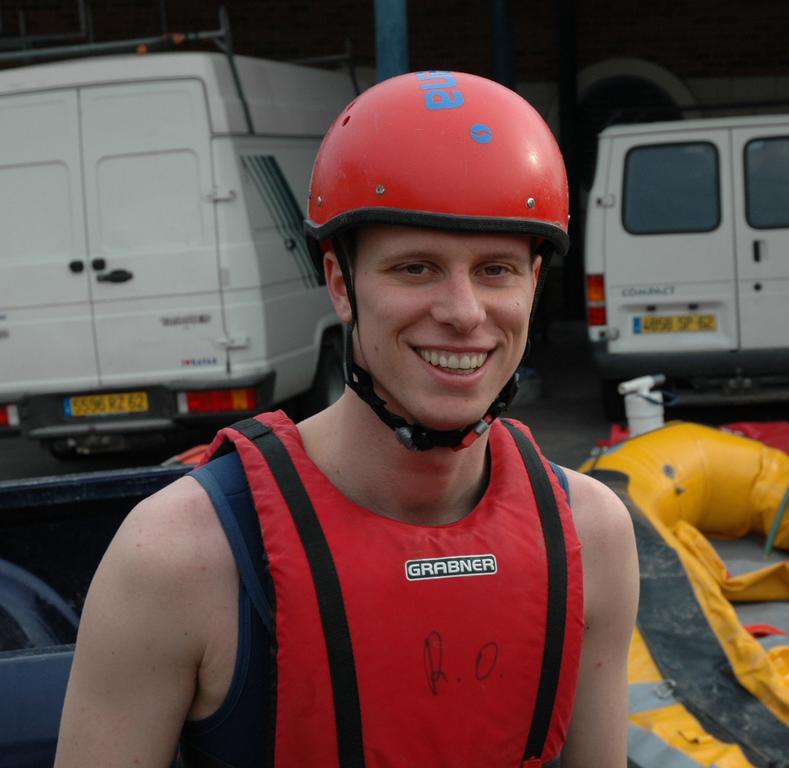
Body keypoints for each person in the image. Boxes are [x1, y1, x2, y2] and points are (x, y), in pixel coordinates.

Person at [55, 70, 638, 767]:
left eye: (495, 270)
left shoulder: (592, 536)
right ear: (340, 283)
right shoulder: (181, 557)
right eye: (415, 268)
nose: (462, 312)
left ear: (533, 284)